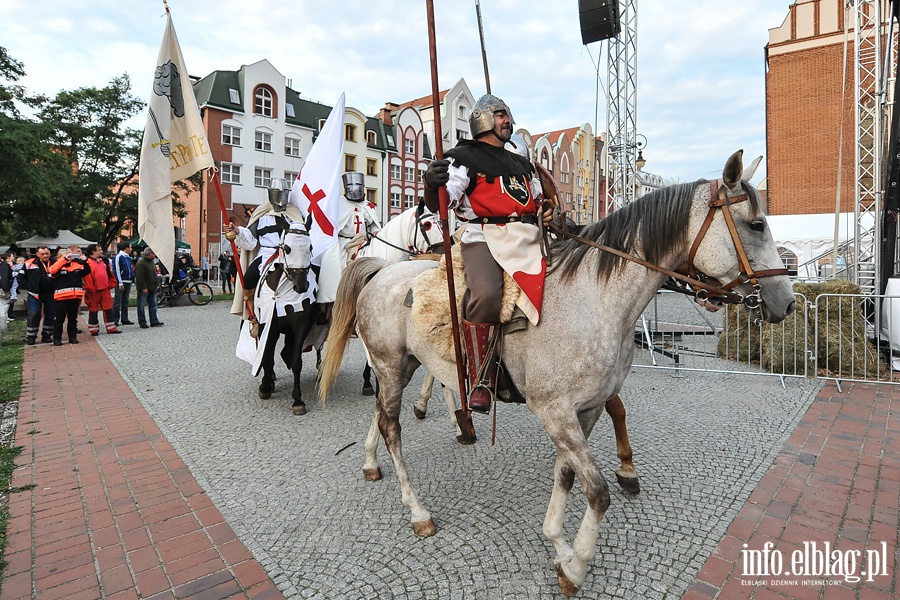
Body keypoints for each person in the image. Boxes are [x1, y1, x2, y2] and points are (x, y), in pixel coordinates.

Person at [423, 94, 554, 414]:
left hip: (528, 235)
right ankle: (482, 378)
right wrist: (431, 183)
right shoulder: (462, 158)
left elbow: (537, 201)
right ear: (482, 119)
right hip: (485, 235)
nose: (507, 119)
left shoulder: (522, 163)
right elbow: (442, 204)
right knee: (484, 294)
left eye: (507, 114)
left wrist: (546, 213)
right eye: (499, 115)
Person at [225, 177, 304, 323]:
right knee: (248, 280)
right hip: (266, 254)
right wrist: (237, 231)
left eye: (283, 193)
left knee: (309, 277)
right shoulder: (262, 213)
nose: (280, 197)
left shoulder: (295, 215)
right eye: (277, 193)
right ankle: (253, 316)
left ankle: (316, 311)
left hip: (290, 254)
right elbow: (251, 240)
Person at [49, 244, 92, 345]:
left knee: (73, 319)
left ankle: (72, 337)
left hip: (75, 296)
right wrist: (63, 260)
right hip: (62, 297)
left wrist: (85, 261)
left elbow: (87, 270)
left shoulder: (76, 265)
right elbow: (52, 270)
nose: (69, 258)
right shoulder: (58, 266)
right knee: (59, 319)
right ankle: (57, 339)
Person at [337, 172, 381, 266]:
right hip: (343, 242)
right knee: (338, 265)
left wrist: (375, 231)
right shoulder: (338, 204)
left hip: (363, 241)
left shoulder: (368, 206)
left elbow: (373, 224)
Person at [82, 244, 121, 336]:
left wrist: (111, 284)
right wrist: (89, 288)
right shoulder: (87, 262)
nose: (101, 251)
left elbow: (109, 272)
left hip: (105, 289)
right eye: (99, 250)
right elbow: (85, 277)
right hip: (93, 291)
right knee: (93, 310)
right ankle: (94, 329)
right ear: (93, 252)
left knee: (108, 309)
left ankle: (111, 328)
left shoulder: (104, 261)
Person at [23, 246, 57, 344]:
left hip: (51, 293)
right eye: (42, 254)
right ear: (37, 254)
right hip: (35, 293)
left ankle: (47, 335)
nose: (45, 256)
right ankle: (31, 336)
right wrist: (29, 287)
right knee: (34, 314)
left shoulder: (55, 262)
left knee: (51, 314)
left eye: (47, 253)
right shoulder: (29, 263)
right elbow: (21, 277)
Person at [134, 247, 163, 329]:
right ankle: (142, 322)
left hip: (152, 287)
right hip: (144, 288)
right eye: (153, 253)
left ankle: (154, 320)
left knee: (153, 304)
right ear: (149, 254)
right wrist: (143, 287)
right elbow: (140, 277)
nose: (155, 255)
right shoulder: (141, 263)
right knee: (141, 305)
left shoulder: (151, 262)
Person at [111, 241, 135, 326]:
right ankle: (115, 319)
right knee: (118, 301)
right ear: (126, 248)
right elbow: (117, 270)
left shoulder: (128, 257)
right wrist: (120, 282)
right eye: (130, 247)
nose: (131, 249)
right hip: (122, 281)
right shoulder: (119, 257)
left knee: (125, 301)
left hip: (128, 281)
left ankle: (125, 318)